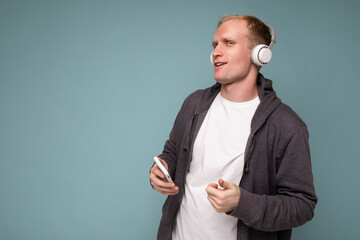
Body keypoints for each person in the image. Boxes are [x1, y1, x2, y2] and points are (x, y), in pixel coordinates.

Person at [149, 15, 317, 240]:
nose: (216, 52)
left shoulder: (286, 125)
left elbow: (302, 205)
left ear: (260, 54)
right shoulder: (194, 104)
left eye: (228, 43)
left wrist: (242, 203)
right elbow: (172, 151)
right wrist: (163, 169)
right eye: (215, 45)